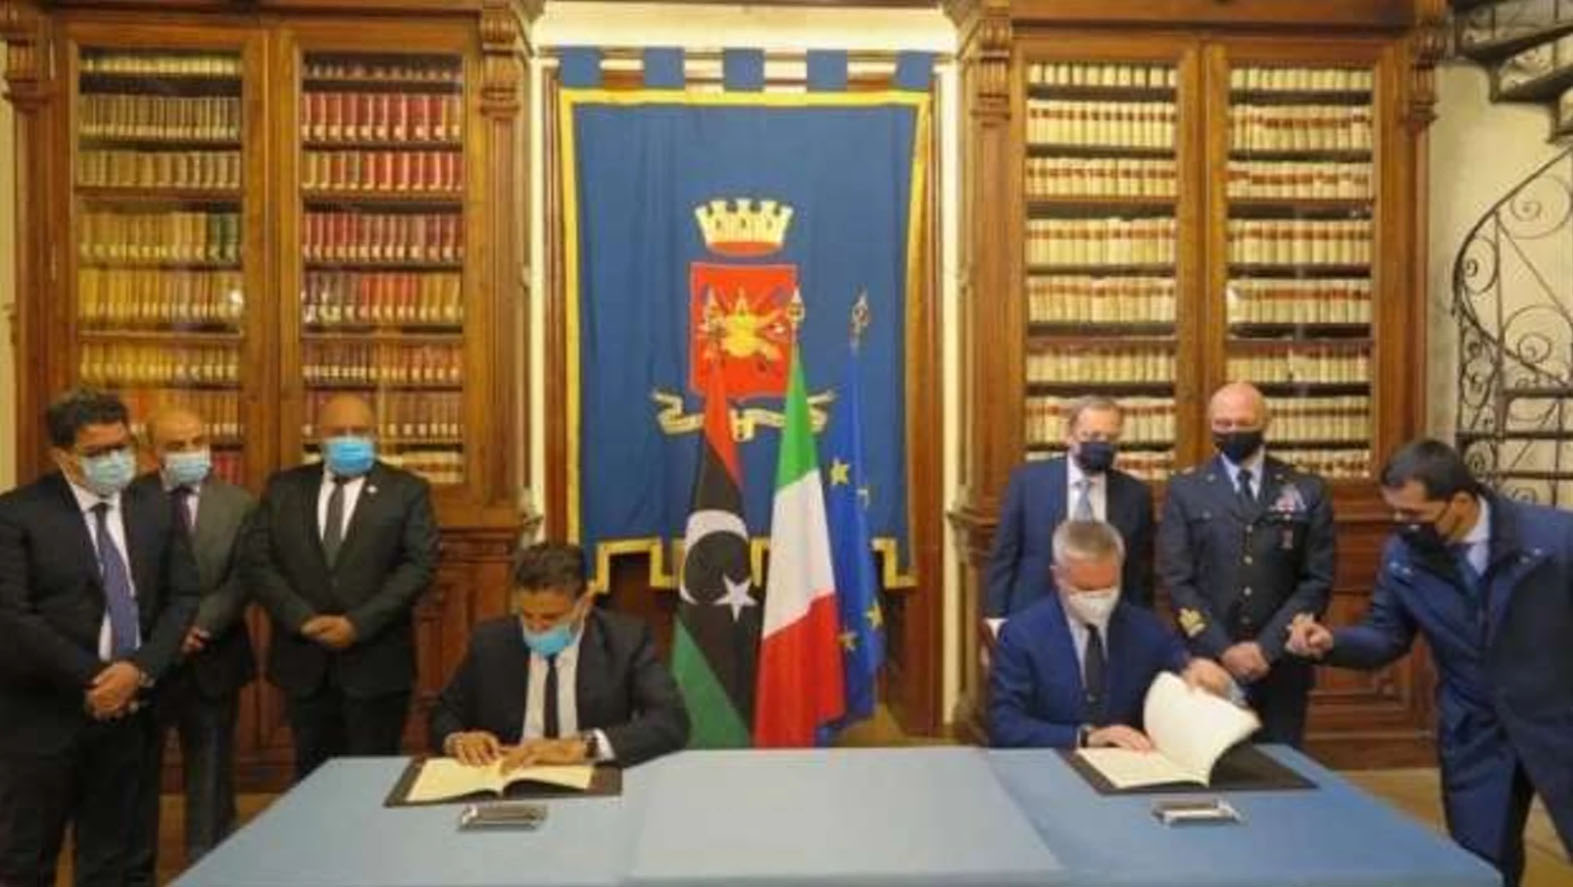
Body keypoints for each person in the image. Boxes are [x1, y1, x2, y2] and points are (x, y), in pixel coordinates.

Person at [1287, 439, 1573, 886]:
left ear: (1460, 502)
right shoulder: (1403, 557)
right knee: (1480, 868)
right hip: (1474, 729)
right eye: (1395, 513)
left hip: (1559, 719)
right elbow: (1386, 635)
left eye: (1413, 515)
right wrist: (1331, 642)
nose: (1402, 525)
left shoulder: (1555, 540)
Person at [0, 389, 199, 887]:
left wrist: (138, 671)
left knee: (112, 858)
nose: (114, 460)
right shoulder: (17, 514)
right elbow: (13, 617)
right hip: (43, 717)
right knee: (27, 859)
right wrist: (98, 679)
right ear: (62, 455)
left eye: (121, 446)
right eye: (98, 452)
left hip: (130, 712)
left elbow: (183, 595)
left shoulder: (155, 506)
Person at [246, 393, 438, 781]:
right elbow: (259, 562)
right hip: (304, 661)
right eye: (338, 431)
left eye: (360, 431)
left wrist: (357, 624)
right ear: (318, 436)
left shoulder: (407, 490)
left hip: (376, 663)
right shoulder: (284, 488)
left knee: (373, 781)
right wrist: (302, 619)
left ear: (376, 435)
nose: (349, 439)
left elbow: (418, 566)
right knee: (312, 779)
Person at [1158, 381, 1333, 746]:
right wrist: (1222, 648)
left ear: (1265, 422)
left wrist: (1267, 647)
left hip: (1282, 661)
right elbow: (1177, 580)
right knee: (1212, 764)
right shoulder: (1186, 488)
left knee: (1282, 766)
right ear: (1210, 425)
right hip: (1208, 660)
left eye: (1243, 423)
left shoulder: (1305, 488)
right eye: (1223, 424)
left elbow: (1316, 580)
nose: (1233, 431)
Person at [127, 407, 256, 879]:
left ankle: (211, 868)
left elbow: (244, 577)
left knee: (212, 772)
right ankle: (137, 870)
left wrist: (197, 627)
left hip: (212, 656)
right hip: (143, 660)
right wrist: (166, 636)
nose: (190, 452)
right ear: (151, 451)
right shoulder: (127, 499)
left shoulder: (239, 503)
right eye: (176, 445)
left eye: (198, 441)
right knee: (137, 775)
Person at [432, 541, 689, 770]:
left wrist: (587, 746)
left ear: (584, 604)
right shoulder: (491, 642)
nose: (535, 628)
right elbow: (444, 712)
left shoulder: (624, 641)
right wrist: (457, 740)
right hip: (510, 773)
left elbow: (670, 721)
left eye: (550, 618)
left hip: (589, 776)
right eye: (526, 615)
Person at [989, 520, 1232, 749]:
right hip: (1055, 763)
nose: (1099, 599)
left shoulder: (1146, 629)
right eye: (1086, 589)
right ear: (1057, 577)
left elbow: (1185, 667)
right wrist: (1086, 737)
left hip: (1131, 764)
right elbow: (1005, 726)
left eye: (1109, 588)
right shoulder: (1022, 634)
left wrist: (1203, 673)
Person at [986, 396, 1155, 616]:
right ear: (1069, 436)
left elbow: (1139, 572)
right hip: (1034, 614)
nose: (1101, 444)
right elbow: (1004, 557)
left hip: (1108, 618)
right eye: (1092, 436)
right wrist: (996, 618)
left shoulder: (1135, 494)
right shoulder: (1028, 483)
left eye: (1110, 438)